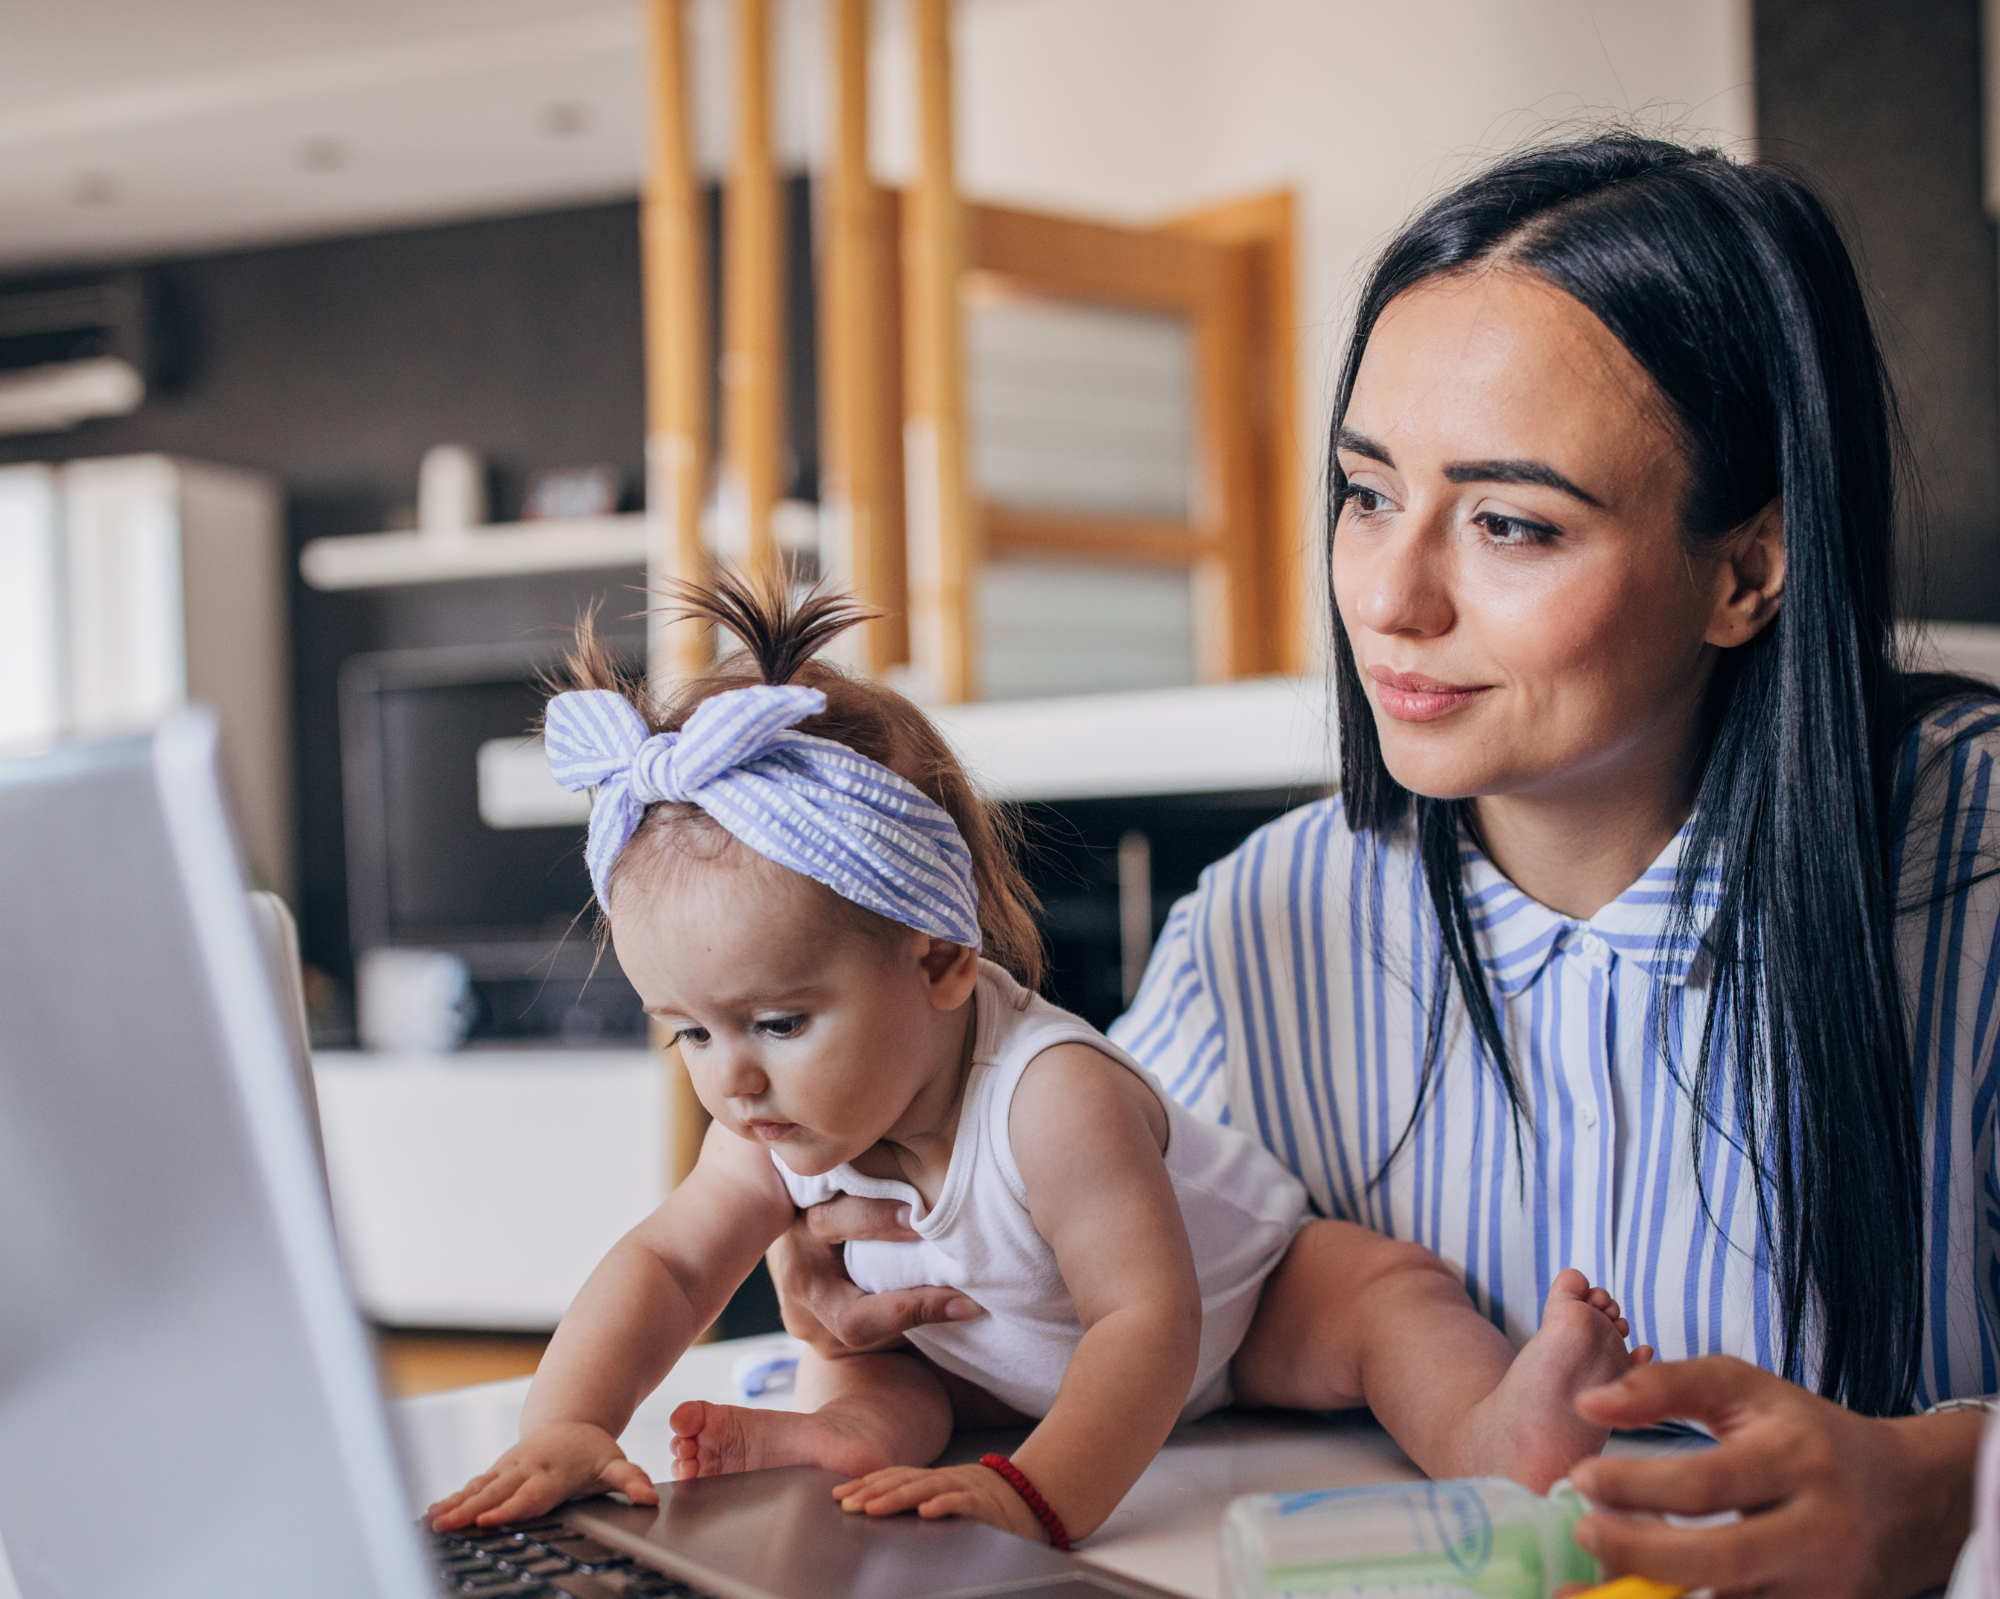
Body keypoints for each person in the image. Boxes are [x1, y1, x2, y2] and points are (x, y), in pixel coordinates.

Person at [770, 133, 2000, 1599]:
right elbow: (1121, 1326)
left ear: (1749, 572)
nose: (1389, 597)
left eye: (1510, 523)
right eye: (1365, 493)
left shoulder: (1975, 880)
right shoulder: (1267, 930)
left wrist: (1939, 1491)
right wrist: (906, 1323)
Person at [428, 576, 1643, 1550]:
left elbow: (1145, 1325)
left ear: (942, 960)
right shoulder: (764, 1121)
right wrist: (569, 1422)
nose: (730, 1080)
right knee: (874, 1361)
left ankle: (1495, 1432)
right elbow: (664, 1260)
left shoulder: (1050, 1099)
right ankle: (844, 1440)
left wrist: (1035, 1492)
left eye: (778, 1023)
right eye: (688, 1030)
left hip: (1241, 1309)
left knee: (1387, 1300)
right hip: (987, 1359)